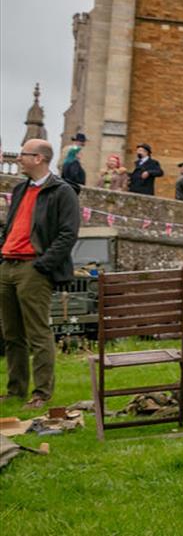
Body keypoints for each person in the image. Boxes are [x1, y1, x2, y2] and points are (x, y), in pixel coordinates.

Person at [0, 139, 81, 410]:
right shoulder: (20, 188)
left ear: (39, 159)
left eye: (23, 154)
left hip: (33, 268)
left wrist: (43, 264)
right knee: (11, 334)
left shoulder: (62, 191)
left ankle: (42, 393)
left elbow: (68, 234)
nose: (18, 158)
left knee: (38, 333)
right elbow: (11, 226)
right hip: (8, 265)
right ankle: (15, 390)